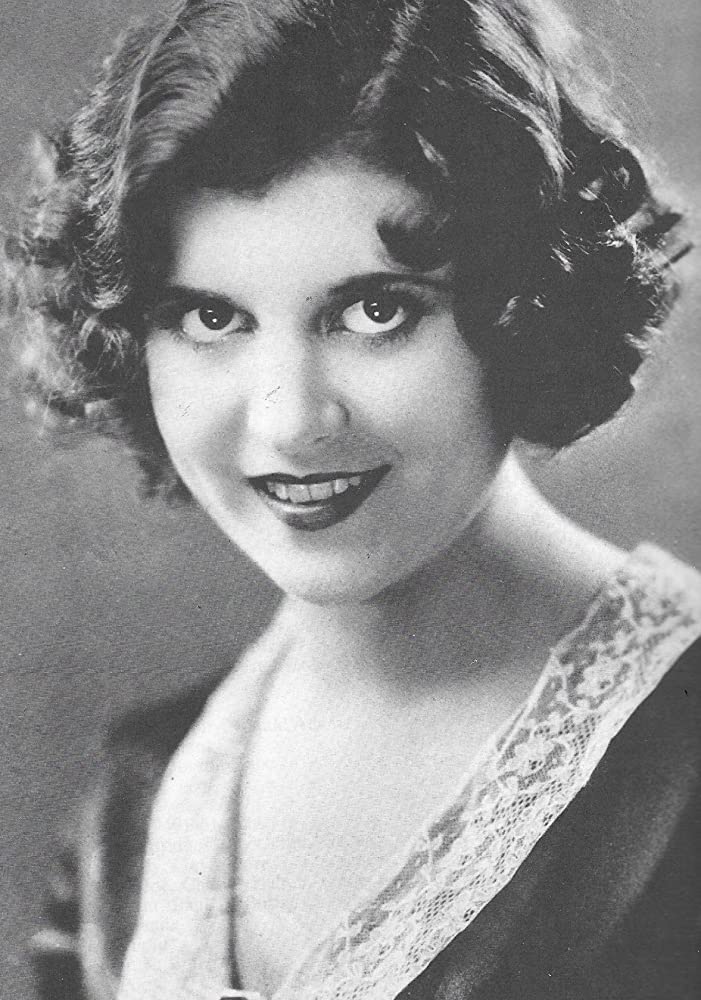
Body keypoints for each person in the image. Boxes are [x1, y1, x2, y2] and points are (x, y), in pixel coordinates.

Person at [5, 0, 700, 998]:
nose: (291, 420)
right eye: (210, 318)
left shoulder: (678, 753)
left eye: (376, 310)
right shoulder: (138, 802)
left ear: (521, 304)